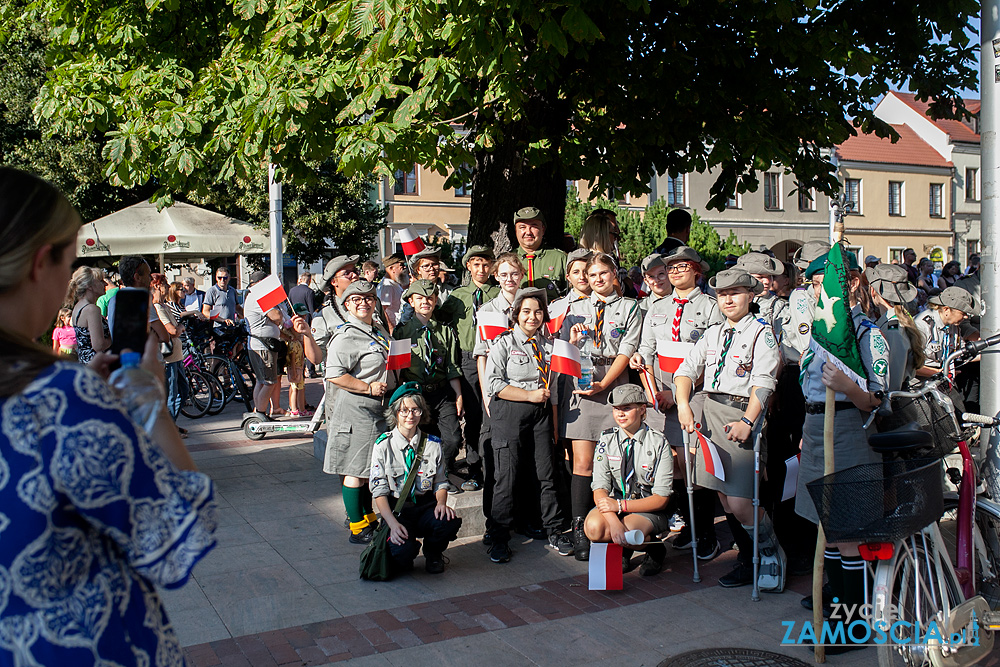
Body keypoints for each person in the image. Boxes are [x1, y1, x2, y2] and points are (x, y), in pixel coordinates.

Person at [0, 166, 216, 666]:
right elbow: (179, 534)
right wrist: (145, 398)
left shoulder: (60, 395)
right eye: (69, 262)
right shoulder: (54, 399)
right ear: (39, 264)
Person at [794, 253, 889, 641]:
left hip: (849, 427)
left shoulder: (867, 334)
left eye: (826, 284)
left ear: (849, 283)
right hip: (816, 426)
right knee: (826, 527)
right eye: (816, 285)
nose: (820, 292)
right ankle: (836, 605)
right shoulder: (819, 334)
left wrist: (849, 387)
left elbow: (877, 400)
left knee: (848, 530)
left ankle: (857, 624)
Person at [674, 268, 784, 592]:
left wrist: (748, 422)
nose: (728, 299)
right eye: (722, 294)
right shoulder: (712, 334)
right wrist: (683, 403)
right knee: (723, 497)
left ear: (751, 296)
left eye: (735, 292)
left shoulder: (760, 332)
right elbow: (685, 370)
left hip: (740, 416)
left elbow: (764, 383)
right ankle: (749, 559)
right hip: (710, 415)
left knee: (740, 502)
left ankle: (771, 553)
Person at [632, 246, 723, 562]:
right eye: (670, 268)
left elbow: (713, 359)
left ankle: (705, 533)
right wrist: (650, 380)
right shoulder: (658, 308)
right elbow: (647, 347)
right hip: (661, 397)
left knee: (693, 464)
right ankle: (687, 528)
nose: (674, 272)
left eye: (682, 266)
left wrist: (680, 393)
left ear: (697, 270)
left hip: (694, 396)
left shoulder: (711, 308)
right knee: (672, 466)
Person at [560, 252, 642, 561]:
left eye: (603, 274)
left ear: (614, 275)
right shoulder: (574, 309)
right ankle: (580, 527)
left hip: (614, 386)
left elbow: (626, 351)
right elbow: (564, 353)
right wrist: (571, 342)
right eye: (592, 275)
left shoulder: (630, 308)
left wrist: (604, 383)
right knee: (583, 464)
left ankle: (617, 525)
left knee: (617, 460)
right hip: (581, 390)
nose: (597, 279)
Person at [484, 287, 574, 562]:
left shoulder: (548, 347)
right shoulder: (503, 344)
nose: (532, 317)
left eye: (538, 312)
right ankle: (498, 536)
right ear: (516, 315)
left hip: (542, 415)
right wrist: (528, 395)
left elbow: (555, 389)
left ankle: (555, 529)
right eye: (526, 312)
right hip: (510, 412)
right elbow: (494, 384)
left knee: (547, 475)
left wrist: (555, 424)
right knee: (506, 478)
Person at [323, 280, 397, 544]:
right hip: (357, 409)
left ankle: (368, 517)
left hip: (377, 408)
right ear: (347, 305)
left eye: (369, 298)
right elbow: (334, 375)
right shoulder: (346, 335)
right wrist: (367, 387)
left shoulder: (376, 330)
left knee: (368, 469)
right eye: (357, 299)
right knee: (355, 469)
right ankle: (357, 527)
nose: (364, 303)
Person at [369, 383, 463, 575]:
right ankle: (407, 551)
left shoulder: (432, 444)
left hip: (424, 505)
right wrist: (393, 525)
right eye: (404, 410)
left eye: (415, 410)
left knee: (447, 521)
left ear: (422, 412)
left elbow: (440, 482)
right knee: (401, 552)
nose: (410, 416)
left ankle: (433, 553)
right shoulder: (383, 446)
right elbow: (379, 491)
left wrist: (441, 504)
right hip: (398, 510)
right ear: (395, 413)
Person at [585, 384, 673, 576]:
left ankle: (654, 548)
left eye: (627, 408)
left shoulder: (658, 443)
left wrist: (620, 507)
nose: (620, 414)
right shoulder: (606, 440)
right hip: (615, 504)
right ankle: (621, 548)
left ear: (642, 410)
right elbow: (599, 487)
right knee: (593, 528)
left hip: (647, 508)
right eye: (616, 409)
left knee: (629, 530)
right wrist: (613, 519)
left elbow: (661, 499)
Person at [392, 279, 464, 493]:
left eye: (430, 298)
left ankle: (443, 472)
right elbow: (397, 370)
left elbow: (452, 366)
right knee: (419, 439)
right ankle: (427, 478)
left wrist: (458, 395)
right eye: (420, 298)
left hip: (441, 392)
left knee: (452, 438)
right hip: (416, 393)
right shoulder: (402, 333)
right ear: (411, 302)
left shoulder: (444, 331)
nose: (426, 302)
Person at [437, 245, 498, 492]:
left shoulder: (499, 292)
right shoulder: (458, 296)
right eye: (476, 264)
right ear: (468, 267)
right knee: (473, 417)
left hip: (496, 357)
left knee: (493, 414)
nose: (482, 269)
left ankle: (493, 466)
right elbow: (440, 322)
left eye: (486, 264)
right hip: (469, 358)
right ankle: (474, 469)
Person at [866, 264, 924, 393]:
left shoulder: (893, 329)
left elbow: (892, 382)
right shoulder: (895, 321)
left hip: (895, 404)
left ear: (873, 290)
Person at [245, 270, 286, 417]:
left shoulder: (252, 296)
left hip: (258, 344)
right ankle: (261, 414)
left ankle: (258, 412)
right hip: (263, 346)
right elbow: (277, 315)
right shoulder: (258, 297)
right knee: (269, 382)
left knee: (261, 381)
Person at [150, 272, 188, 429]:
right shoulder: (157, 307)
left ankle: (171, 424)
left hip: (177, 356)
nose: (167, 287)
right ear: (157, 287)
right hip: (169, 358)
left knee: (183, 391)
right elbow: (171, 331)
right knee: (172, 394)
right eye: (165, 284)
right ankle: (170, 427)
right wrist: (180, 327)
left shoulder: (164, 305)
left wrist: (178, 329)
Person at [915, 285, 979, 374]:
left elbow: (960, 352)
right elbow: (910, 364)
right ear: (946, 310)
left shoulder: (952, 325)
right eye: (962, 313)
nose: (966, 317)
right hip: (920, 384)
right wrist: (939, 373)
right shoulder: (922, 326)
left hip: (941, 381)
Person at [513, 206, 567, 302]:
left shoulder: (560, 258)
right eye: (522, 227)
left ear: (543, 229)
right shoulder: (508, 260)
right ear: (516, 230)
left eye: (534, 226)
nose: (528, 232)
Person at [67, 266, 109, 364]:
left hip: (84, 363)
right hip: (96, 365)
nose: (105, 283)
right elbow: (98, 345)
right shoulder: (92, 310)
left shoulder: (78, 307)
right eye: (101, 281)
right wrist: (113, 338)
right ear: (89, 286)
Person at [286, 303, 310, 417]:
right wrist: (294, 370)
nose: (304, 319)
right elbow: (292, 357)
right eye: (301, 316)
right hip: (294, 367)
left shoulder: (298, 342)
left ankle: (301, 408)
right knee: (295, 387)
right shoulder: (293, 343)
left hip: (299, 366)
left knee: (300, 387)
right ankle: (294, 408)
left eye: (304, 316)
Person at [377, 253, 408, 328]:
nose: (404, 267)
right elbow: (382, 310)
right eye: (401, 265)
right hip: (394, 327)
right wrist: (390, 328)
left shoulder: (394, 284)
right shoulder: (387, 286)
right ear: (391, 268)